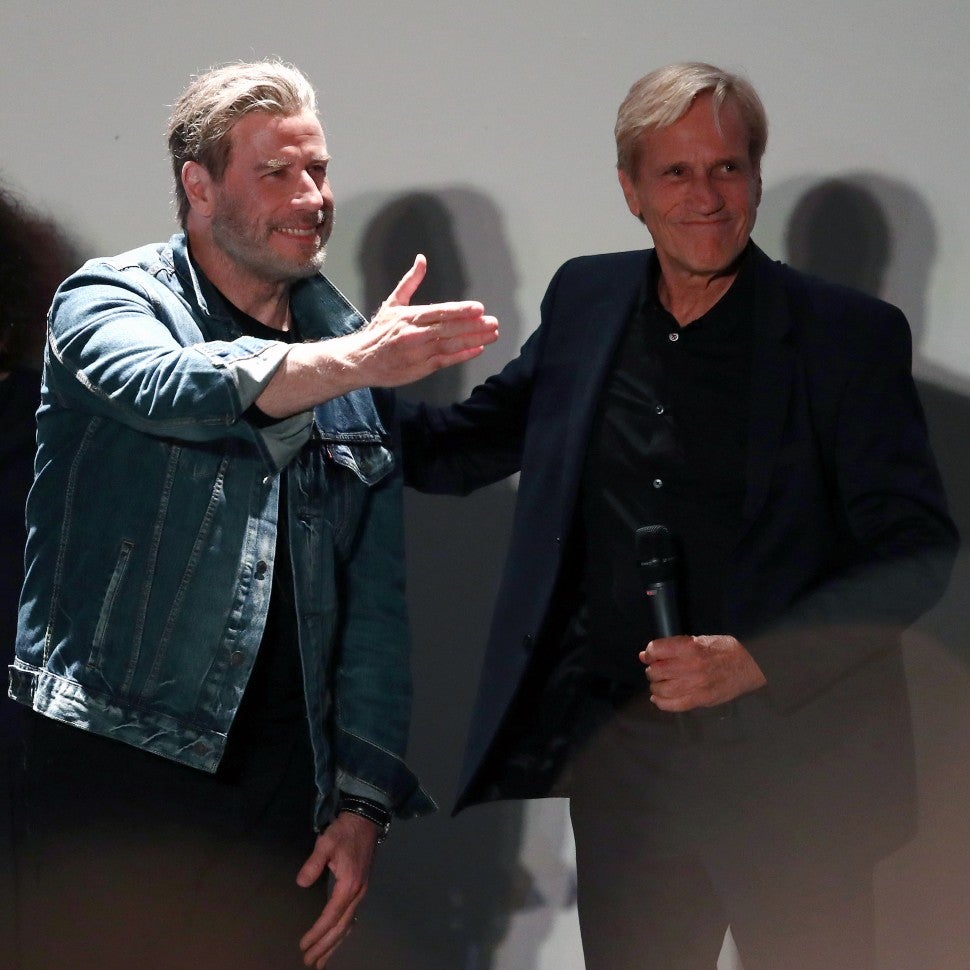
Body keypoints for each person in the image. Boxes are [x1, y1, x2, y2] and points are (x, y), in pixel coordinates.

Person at [400, 62, 958, 970]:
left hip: (798, 780)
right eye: (676, 172)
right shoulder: (587, 303)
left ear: (756, 178)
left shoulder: (847, 336)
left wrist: (754, 659)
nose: (706, 197)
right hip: (630, 779)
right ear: (631, 189)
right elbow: (461, 449)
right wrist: (340, 378)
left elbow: (915, 551)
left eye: (727, 168)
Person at [9, 60, 497, 970]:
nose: (311, 197)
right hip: (116, 762)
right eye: (277, 172)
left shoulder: (347, 350)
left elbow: (374, 608)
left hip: (283, 789)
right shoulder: (107, 301)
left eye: (318, 169)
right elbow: (170, 385)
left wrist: (363, 803)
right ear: (199, 186)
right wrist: (354, 361)